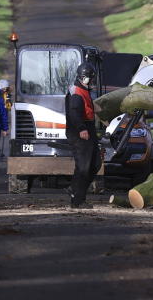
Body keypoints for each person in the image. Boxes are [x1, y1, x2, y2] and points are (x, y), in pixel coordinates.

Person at [65, 62, 100, 208]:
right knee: (83, 167)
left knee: (95, 164)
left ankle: (75, 189)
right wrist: (81, 128)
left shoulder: (83, 90)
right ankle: (77, 199)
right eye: (91, 79)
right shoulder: (76, 93)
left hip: (88, 129)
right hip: (79, 132)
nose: (93, 81)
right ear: (84, 78)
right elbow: (74, 113)